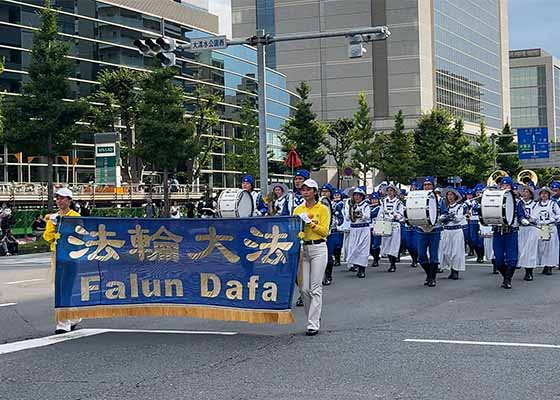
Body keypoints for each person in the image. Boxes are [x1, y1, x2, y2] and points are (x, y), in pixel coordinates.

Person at [293, 179, 330, 336]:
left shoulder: (322, 209)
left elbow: (325, 231)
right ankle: (313, 316)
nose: (306, 192)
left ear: (315, 192)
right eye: (303, 190)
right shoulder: (297, 209)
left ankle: (313, 323)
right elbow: (293, 228)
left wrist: (311, 224)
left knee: (315, 287)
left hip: (318, 248)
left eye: (309, 190)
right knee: (304, 288)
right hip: (303, 248)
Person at [43, 188, 82, 334]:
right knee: (60, 288)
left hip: (71, 256)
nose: (60, 201)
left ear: (69, 200)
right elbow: (47, 237)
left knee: (66, 288)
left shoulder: (75, 216)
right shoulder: (53, 217)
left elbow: (78, 234)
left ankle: (63, 322)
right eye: (58, 198)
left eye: (63, 198)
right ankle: (74, 316)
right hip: (57, 255)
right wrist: (53, 227)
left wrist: (62, 226)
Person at [492, 177, 519, 289]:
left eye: (507, 186)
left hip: (511, 231)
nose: (505, 187)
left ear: (511, 188)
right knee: (498, 259)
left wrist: (523, 219)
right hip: (498, 231)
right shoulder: (495, 200)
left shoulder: (517, 202)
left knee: (512, 258)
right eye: (503, 186)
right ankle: (506, 277)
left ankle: (507, 280)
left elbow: (521, 215)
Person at [416, 177, 443, 287]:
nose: (427, 187)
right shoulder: (418, 197)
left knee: (433, 255)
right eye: (425, 185)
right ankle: (429, 274)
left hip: (434, 230)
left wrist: (439, 218)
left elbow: (444, 213)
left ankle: (432, 278)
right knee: (421, 255)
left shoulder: (439, 199)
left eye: (429, 185)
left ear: (433, 186)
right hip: (421, 229)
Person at [440, 188, 466, 280]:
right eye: (448, 195)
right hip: (446, 231)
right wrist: (444, 217)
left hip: (456, 231)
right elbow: (441, 218)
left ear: (455, 196)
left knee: (456, 252)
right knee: (446, 252)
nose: (450, 197)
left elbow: (459, 218)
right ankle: (451, 268)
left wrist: (452, 216)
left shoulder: (460, 207)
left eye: (451, 195)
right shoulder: (445, 207)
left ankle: (455, 271)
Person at [533, 186, 560, 276]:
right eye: (542, 193)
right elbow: (534, 216)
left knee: (551, 247)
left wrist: (554, 219)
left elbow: (559, 214)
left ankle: (549, 266)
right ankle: (544, 264)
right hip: (542, 228)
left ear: (549, 195)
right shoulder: (537, 204)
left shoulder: (553, 204)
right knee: (542, 247)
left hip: (550, 226)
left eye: (546, 193)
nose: (544, 195)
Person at [345, 187, 371, 278]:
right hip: (354, 229)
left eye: (358, 195)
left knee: (363, 249)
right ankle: (354, 264)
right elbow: (347, 218)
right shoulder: (350, 205)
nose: (357, 197)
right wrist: (350, 212)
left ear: (362, 197)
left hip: (363, 229)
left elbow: (367, 216)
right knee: (353, 247)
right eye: (355, 195)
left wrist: (360, 214)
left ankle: (362, 269)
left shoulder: (365, 205)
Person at [378, 184, 404, 273]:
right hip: (386, 224)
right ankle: (390, 262)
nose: (389, 192)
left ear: (394, 192)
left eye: (391, 190)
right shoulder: (384, 201)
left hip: (395, 225)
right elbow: (380, 212)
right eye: (388, 190)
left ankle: (393, 264)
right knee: (386, 244)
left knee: (394, 244)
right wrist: (381, 218)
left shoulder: (398, 202)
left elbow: (401, 214)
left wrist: (395, 215)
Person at [517, 185, 538, 281]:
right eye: (523, 192)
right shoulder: (519, 203)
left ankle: (529, 272)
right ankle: (522, 266)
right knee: (522, 248)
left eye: (527, 192)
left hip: (531, 228)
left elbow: (535, 215)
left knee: (530, 250)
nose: (524, 194)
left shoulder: (535, 204)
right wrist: (521, 219)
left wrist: (529, 219)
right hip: (521, 228)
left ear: (531, 195)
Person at [320, 184, 339, 285]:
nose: (324, 193)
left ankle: (328, 275)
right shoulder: (320, 201)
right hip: (320, 231)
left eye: (327, 191)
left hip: (331, 231)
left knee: (328, 254)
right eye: (323, 191)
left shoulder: (334, 203)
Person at [331, 189, 345, 266]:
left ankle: (337, 259)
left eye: (338, 195)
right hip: (331, 224)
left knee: (338, 243)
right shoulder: (331, 202)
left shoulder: (341, 203)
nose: (336, 196)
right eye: (335, 195)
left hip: (338, 224)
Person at [369, 192, 382, 267]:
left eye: (375, 199)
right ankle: (375, 257)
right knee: (369, 245)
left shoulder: (379, 208)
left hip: (376, 226)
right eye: (372, 199)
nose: (374, 201)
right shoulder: (369, 207)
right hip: (369, 227)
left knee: (376, 244)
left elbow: (371, 214)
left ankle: (376, 260)